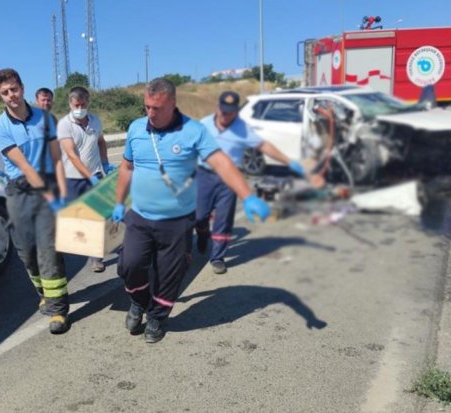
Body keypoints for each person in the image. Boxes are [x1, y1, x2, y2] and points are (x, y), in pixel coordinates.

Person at [111, 78, 271, 343]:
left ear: (173, 104)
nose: (150, 113)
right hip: (140, 215)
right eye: (147, 107)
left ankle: (157, 317)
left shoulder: (193, 131)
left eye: (157, 108)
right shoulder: (136, 128)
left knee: (169, 274)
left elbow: (221, 162)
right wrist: (118, 202)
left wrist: (247, 195)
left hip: (176, 220)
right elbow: (126, 167)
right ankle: (139, 301)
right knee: (129, 266)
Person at [0, 68, 70, 334]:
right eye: (5, 92)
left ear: (22, 88)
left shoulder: (46, 119)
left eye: (14, 89)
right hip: (19, 189)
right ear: (0, 96)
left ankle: (58, 310)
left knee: (48, 247)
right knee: (26, 251)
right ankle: (44, 291)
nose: (11, 95)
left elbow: (57, 158)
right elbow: (23, 165)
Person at [195, 91, 305, 274]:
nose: (225, 115)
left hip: (229, 180)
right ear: (217, 107)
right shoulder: (203, 125)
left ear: (236, 112)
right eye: (222, 110)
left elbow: (264, 146)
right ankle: (202, 233)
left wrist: (289, 161)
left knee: (223, 220)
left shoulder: (243, 128)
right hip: (204, 175)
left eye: (229, 112)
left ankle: (217, 257)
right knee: (199, 216)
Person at [56, 86, 115, 272]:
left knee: (96, 216)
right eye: (76, 105)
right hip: (72, 178)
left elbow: (101, 141)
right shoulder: (64, 125)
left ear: (88, 102)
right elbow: (72, 155)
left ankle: (95, 258)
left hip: (95, 174)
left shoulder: (95, 121)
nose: (80, 108)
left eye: (83, 104)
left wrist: (104, 163)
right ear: (70, 104)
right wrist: (89, 176)